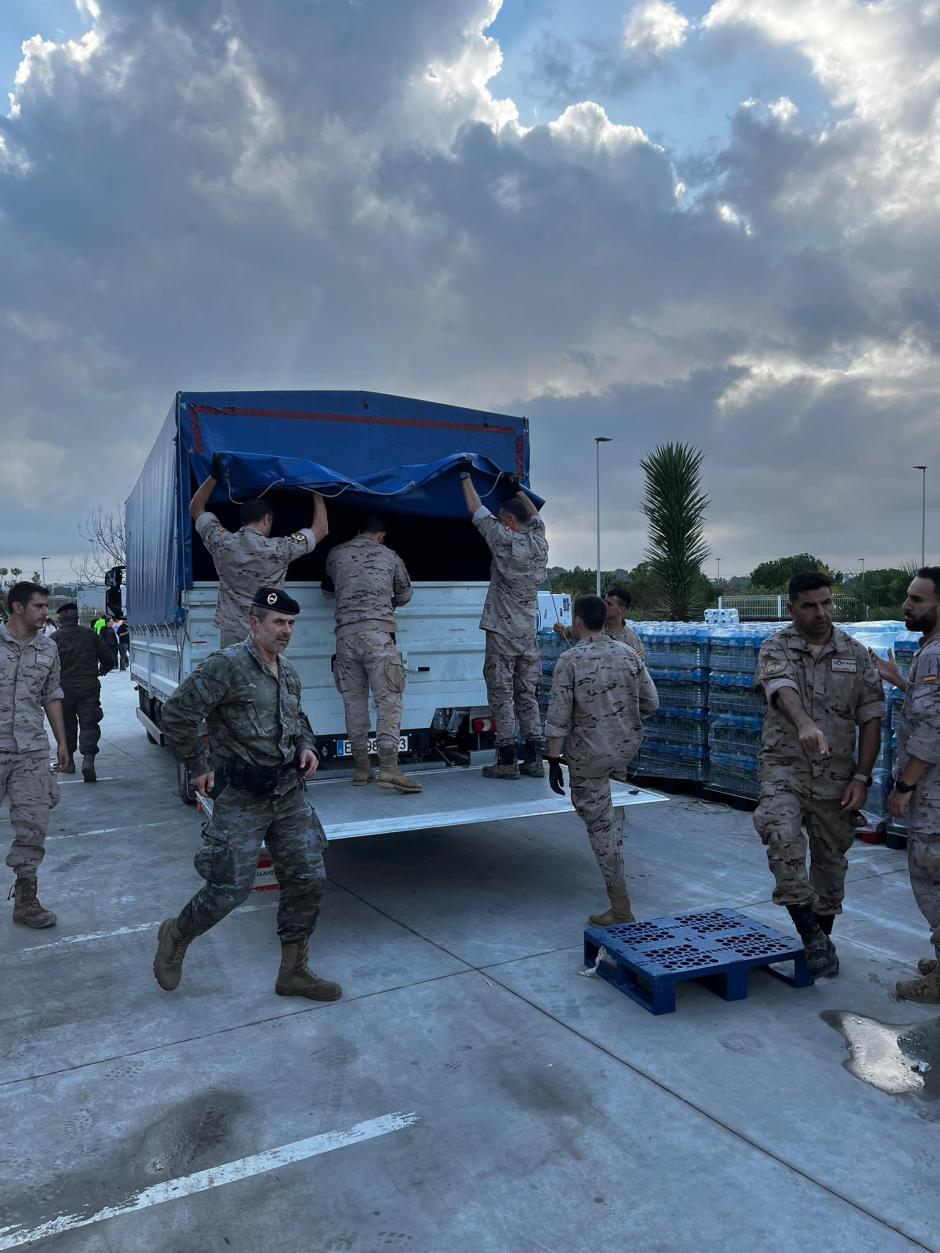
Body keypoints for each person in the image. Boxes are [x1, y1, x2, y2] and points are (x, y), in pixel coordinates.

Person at [153, 586, 340, 1001]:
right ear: (254, 623)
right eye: (278, 622)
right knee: (229, 890)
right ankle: (176, 934)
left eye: (291, 623)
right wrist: (197, 766)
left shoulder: (287, 672)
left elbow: (298, 721)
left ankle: (294, 971)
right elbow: (178, 714)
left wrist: (306, 746)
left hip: (288, 793)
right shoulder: (227, 666)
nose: (285, 631)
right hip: (242, 797)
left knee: (308, 878)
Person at [753, 571, 884, 978]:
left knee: (831, 865)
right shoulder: (776, 646)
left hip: (837, 779)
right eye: (810, 605)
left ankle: (822, 939)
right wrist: (805, 723)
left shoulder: (855, 653)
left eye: (826, 603)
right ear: (792, 608)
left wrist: (862, 778)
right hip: (784, 770)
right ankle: (811, 937)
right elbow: (781, 685)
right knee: (782, 838)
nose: (821, 612)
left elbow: (872, 718)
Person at [545, 594, 659, 924]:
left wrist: (554, 759)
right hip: (624, 748)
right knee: (612, 809)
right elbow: (651, 702)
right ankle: (615, 827)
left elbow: (558, 718)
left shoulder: (570, 660)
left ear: (578, 622)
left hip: (589, 755)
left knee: (600, 826)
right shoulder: (627, 653)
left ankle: (620, 906)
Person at [870, 567, 940, 1003]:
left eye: (916, 600)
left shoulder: (935, 655)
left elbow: (933, 729)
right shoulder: (928, 651)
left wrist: (904, 787)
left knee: (932, 879)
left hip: (933, 794)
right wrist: (900, 681)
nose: (906, 606)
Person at [460, 469, 549, 779]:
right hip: (527, 633)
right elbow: (535, 516)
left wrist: (464, 478)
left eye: (502, 518)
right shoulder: (540, 542)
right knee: (527, 694)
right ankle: (535, 758)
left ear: (509, 522)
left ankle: (507, 759)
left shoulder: (503, 539)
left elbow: (476, 510)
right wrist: (517, 488)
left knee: (501, 694)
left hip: (502, 631)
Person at [322, 515, 421, 793]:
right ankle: (389, 768)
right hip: (378, 637)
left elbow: (326, 592)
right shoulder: (389, 555)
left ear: (357, 531)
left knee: (353, 703)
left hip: (345, 639)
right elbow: (404, 594)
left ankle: (361, 768)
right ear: (381, 535)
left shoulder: (336, 553)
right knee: (388, 700)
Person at [190, 459, 328, 647]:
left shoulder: (221, 542)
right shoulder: (280, 548)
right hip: (267, 633)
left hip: (232, 634)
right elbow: (321, 529)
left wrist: (214, 476)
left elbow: (196, 508)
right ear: (267, 519)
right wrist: (316, 492)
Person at [1, 583, 69, 928]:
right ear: (17, 607)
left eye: (46, 606)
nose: (46, 612)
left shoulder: (49, 648)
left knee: (32, 827)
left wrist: (61, 741)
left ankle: (26, 901)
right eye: (40, 606)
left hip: (30, 750)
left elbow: (51, 694)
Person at [50, 603, 115, 782]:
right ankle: (88, 759)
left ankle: (69, 762)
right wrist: (104, 669)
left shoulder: (54, 638)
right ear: (77, 618)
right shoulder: (90, 635)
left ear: (61, 619)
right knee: (89, 723)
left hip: (64, 688)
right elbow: (109, 658)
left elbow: (46, 666)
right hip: (88, 685)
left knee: (67, 724)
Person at [553, 586, 645, 659]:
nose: (604, 606)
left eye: (609, 604)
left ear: (621, 609)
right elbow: (570, 634)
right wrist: (560, 630)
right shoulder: (593, 624)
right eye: (604, 602)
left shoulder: (632, 640)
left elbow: (638, 670)